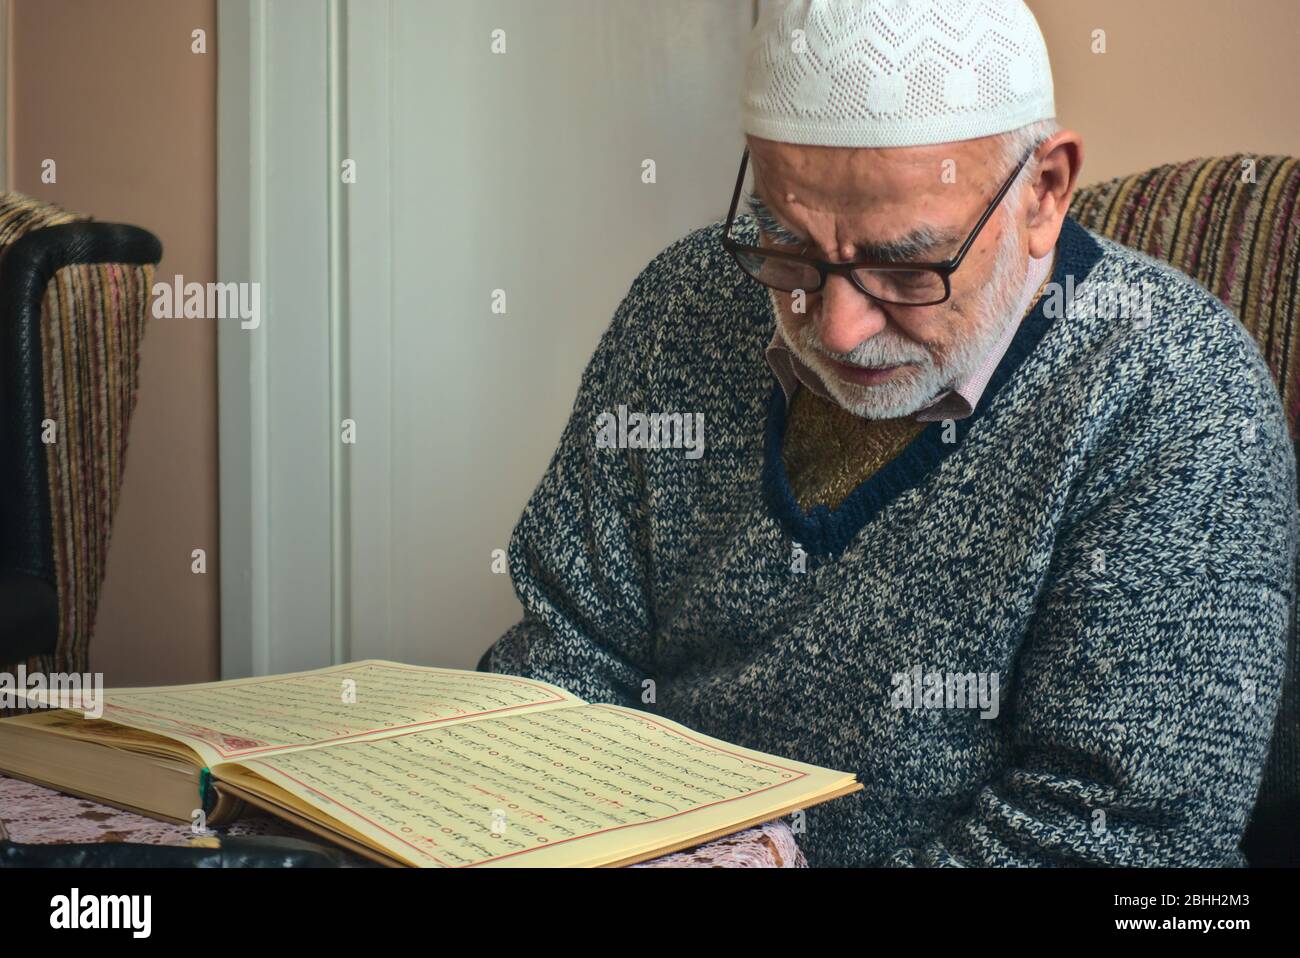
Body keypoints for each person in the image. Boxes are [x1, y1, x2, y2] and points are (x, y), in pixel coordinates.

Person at [483, 0, 1296, 866]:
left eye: (907, 268)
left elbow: (1113, 843)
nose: (835, 328)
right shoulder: (684, 303)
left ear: (1044, 194)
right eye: (789, 249)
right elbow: (562, 654)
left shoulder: (1174, 392)